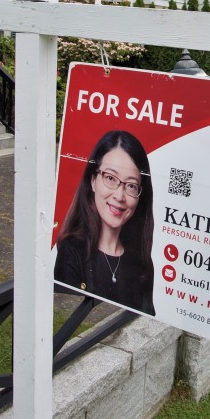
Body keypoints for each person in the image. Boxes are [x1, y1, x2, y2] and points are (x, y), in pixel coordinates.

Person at [54, 130, 155, 315]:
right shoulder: (72, 251)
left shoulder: (142, 266)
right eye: (110, 178)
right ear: (93, 181)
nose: (119, 195)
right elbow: (65, 320)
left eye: (131, 186)